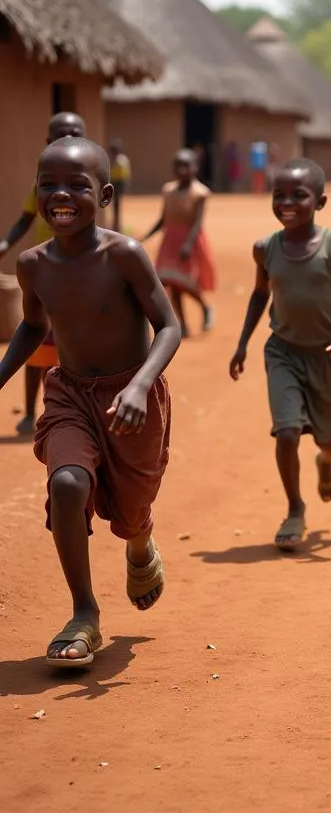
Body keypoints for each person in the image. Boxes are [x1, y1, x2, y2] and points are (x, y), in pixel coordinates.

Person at [0, 137, 180, 666]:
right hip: (70, 394)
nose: (61, 195)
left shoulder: (122, 253)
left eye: (76, 186)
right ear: (36, 193)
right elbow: (34, 325)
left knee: (132, 507)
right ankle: (84, 613)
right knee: (67, 483)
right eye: (48, 184)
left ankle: (139, 541)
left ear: (102, 195)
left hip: (132, 396)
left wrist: (142, 384)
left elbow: (168, 326)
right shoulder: (33, 265)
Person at [230, 160, 331, 549]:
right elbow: (261, 294)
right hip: (283, 352)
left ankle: (325, 463)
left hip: (329, 354)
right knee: (287, 431)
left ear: (321, 201)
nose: (287, 202)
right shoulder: (265, 248)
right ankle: (295, 508)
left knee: (328, 440)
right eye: (279, 195)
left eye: (298, 195)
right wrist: (243, 342)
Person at [0, 112, 86, 436]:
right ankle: (30, 411)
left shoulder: (88, 179)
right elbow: (25, 218)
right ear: (49, 142)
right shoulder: (41, 183)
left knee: (71, 343)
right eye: (61, 135)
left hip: (78, 274)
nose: (68, 138)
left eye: (75, 133)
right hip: (45, 272)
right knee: (35, 336)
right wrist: (6, 243)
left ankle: (71, 410)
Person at [141, 149, 215, 336]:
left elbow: (198, 222)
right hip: (170, 241)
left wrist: (188, 244)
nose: (182, 170)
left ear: (195, 168)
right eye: (178, 166)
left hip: (188, 241)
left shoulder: (200, 193)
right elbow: (163, 219)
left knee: (186, 282)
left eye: (186, 165)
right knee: (172, 284)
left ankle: (205, 308)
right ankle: (183, 324)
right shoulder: (168, 190)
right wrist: (146, 236)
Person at [108, 139, 131, 233]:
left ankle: (117, 225)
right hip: (111, 183)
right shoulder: (109, 160)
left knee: (117, 205)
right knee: (111, 205)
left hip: (119, 184)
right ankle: (114, 224)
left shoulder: (122, 160)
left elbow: (126, 174)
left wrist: (125, 185)